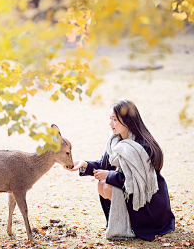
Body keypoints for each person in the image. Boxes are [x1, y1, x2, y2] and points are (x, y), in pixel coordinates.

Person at [68, 100, 175, 241]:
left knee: (106, 186)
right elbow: (103, 164)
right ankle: (123, 223)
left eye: (115, 120)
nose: (110, 123)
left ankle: (132, 225)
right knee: (102, 185)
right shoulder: (115, 142)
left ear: (127, 121)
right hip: (133, 193)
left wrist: (109, 176)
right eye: (110, 119)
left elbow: (138, 183)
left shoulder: (142, 146)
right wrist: (84, 164)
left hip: (149, 203)